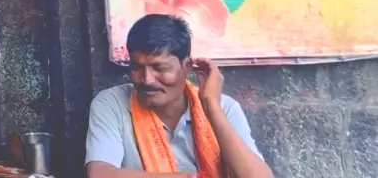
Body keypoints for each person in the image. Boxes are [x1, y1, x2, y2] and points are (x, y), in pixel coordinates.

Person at [85, 15, 273, 178]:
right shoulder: (112, 104)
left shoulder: (224, 107)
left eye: (160, 68)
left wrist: (211, 107)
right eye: (137, 68)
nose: (147, 79)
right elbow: (100, 174)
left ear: (187, 67)